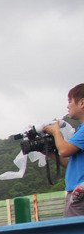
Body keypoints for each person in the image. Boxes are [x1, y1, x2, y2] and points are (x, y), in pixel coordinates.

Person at [43, 83, 84, 217]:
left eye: (70, 101)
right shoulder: (80, 130)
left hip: (79, 194)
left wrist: (56, 132)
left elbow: (64, 150)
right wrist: (49, 153)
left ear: (82, 102)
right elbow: (71, 163)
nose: (68, 105)